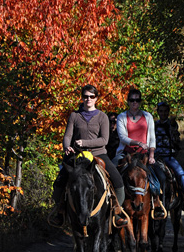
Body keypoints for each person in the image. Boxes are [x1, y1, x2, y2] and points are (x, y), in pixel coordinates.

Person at [51, 84, 128, 227]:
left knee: (118, 181)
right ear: (82, 98)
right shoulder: (75, 116)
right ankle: (60, 211)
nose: (88, 99)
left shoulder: (102, 117)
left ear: (96, 98)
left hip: (98, 154)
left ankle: (116, 211)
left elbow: (104, 140)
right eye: (85, 96)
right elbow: (67, 135)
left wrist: (84, 142)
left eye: (92, 96)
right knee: (59, 181)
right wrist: (67, 146)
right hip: (78, 155)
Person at [113, 88, 166, 217]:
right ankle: (114, 205)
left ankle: (157, 203)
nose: (134, 102)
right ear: (128, 101)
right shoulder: (121, 117)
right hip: (126, 154)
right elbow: (122, 137)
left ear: (140, 102)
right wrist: (137, 143)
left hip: (144, 155)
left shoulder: (147, 116)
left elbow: (152, 138)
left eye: (137, 100)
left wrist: (152, 155)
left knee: (161, 176)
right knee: (112, 171)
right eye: (132, 100)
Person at [155, 101, 184, 211]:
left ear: (168, 112)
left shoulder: (172, 124)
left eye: (166, 111)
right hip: (155, 157)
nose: (163, 113)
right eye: (161, 111)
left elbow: (176, 139)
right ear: (158, 112)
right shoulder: (153, 125)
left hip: (168, 156)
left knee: (181, 175)